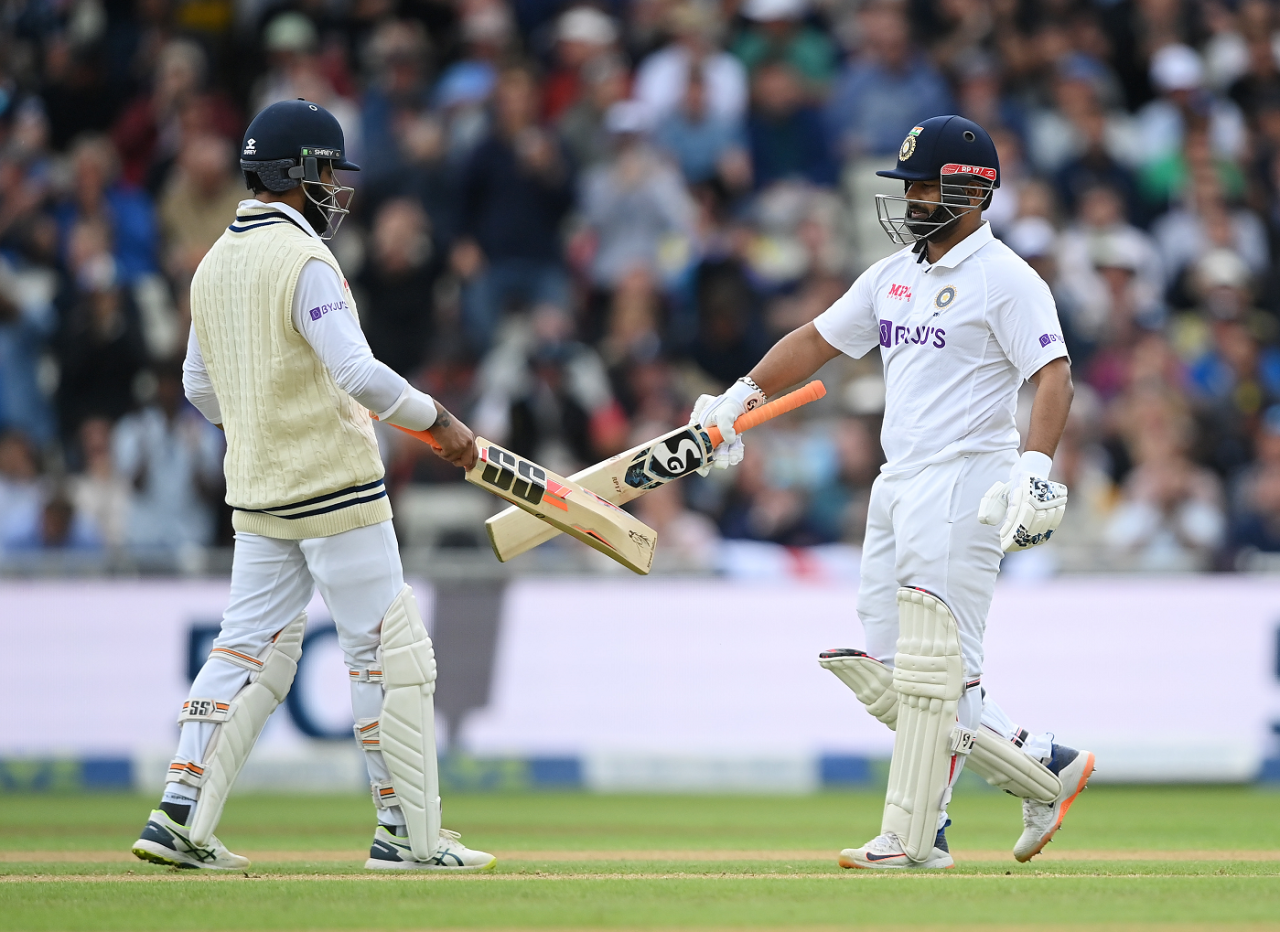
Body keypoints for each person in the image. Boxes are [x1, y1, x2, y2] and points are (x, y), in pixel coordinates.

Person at [690, 116, 1093, 869]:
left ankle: (917, 836)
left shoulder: (1006, 278)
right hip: (898, 481)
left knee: (939, 670)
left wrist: (1033, 468)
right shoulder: (893, 273)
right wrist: (740, 393)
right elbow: (815, 339)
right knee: (889, 669)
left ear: (971, 190)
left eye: (924, 184)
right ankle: (1043, 763)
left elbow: (1055, 373)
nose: (909, 198)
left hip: (969, 480)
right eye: (907, 184)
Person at [129, 100, 495, 873]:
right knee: (387, 654)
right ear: (298, 174)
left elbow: (199, 386)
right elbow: (356, 372)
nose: (334, 187)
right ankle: (409, 836)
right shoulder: (305, 261)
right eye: (326, 171)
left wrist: (262, 424)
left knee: (243, 649)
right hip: (334, 487)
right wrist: (441, 423)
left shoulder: (214, 262)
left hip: (259, 494)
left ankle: (180, 813)